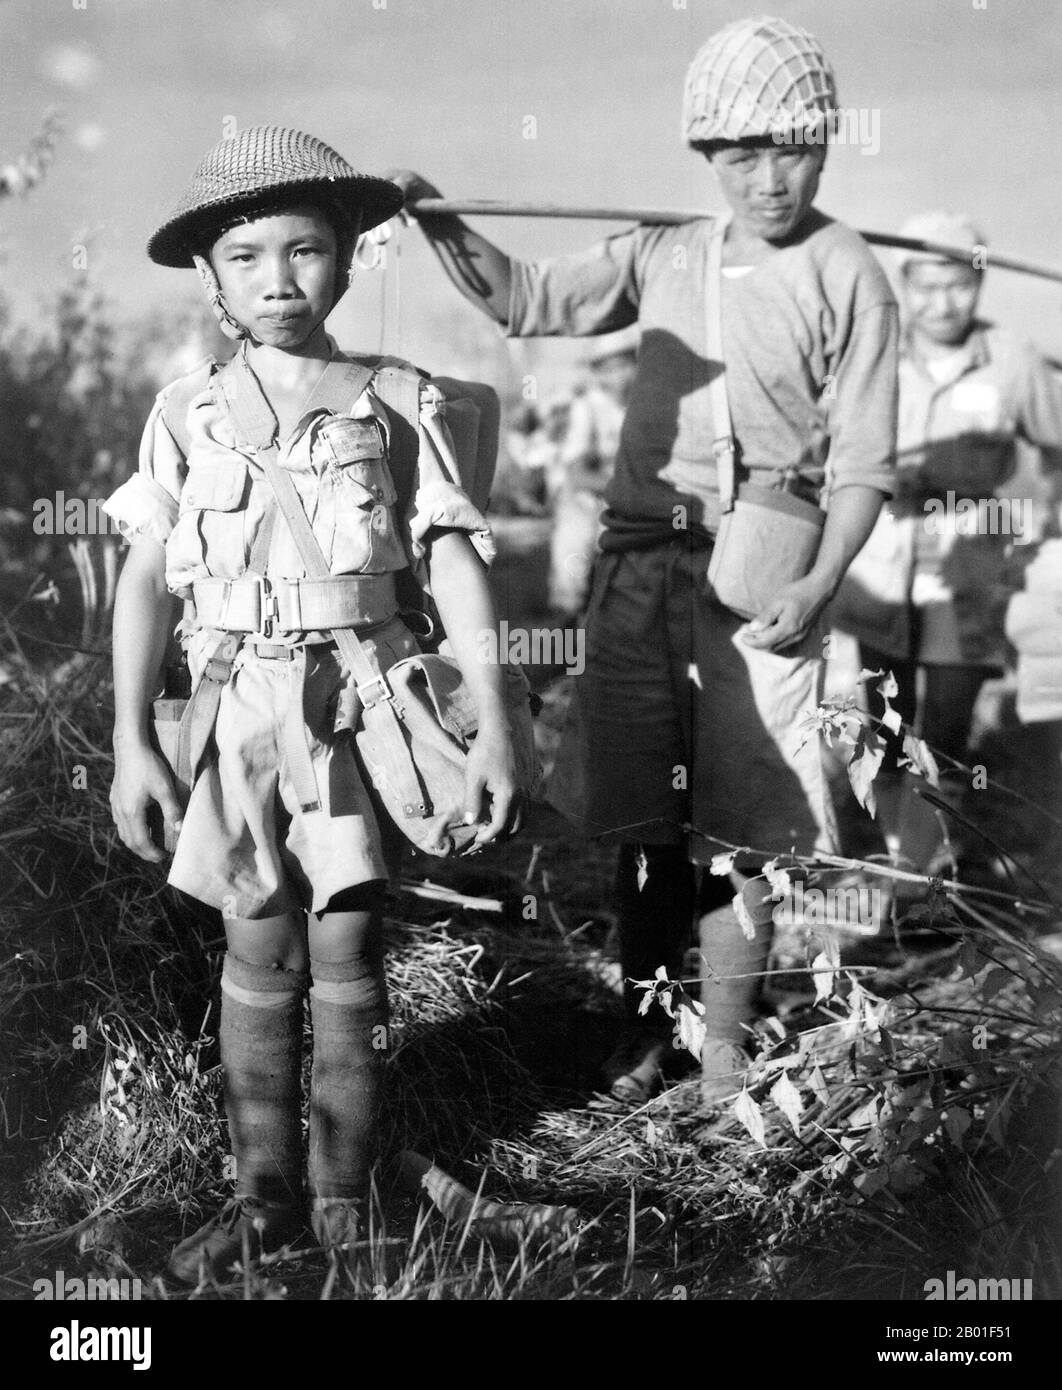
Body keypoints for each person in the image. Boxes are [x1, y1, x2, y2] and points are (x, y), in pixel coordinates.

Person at [388, 14, 898, 1104]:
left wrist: (820, 584)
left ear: (828, 143)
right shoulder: (667, 250)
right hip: (636, 571)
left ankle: (721, 1056)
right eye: (744, 153)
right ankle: (639, 1029)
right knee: (641, 823)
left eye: (796, 148)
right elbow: (524, 300)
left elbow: (863, 467)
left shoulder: (849, 273)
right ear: (707, 156)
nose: (771, 177)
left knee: (742, 833)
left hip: (764, 577)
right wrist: (437, 216)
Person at [103, 126, 519, 1280]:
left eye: (307, 252)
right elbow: (145, 577)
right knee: (258, 937)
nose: (279, 281)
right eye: (247, 257)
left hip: (358, 706)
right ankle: (264, 1199)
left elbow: (452, 560)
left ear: (349, 261)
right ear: (210, 275)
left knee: (346, 939)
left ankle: (344, 1205)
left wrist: (497, 712)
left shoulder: (398, 399)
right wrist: (133, 739)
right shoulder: (186, 410)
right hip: (236, 711)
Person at [834, 211, 1062, 882]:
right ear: (904, 283)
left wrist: (1037, 527)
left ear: (980, 283)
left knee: (948, 728)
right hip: (880, 568)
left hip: (967, 574)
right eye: (926, 286)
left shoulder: (1014, 363)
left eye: (958, 285)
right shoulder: (874, 355)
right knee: (885, 719)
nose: (941, 303)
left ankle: (924, 874)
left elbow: (1057, 446)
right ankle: (885, 847)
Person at [549, 339, 637, 617]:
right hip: (589, 501)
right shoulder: (588, 406)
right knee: (574, 564)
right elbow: (577, 473)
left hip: (632, 502)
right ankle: (568, 630)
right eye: (609, 368)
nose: (619, 375)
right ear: (598, 372)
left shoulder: (647, 405)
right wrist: (626, 491)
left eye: (625, 364)